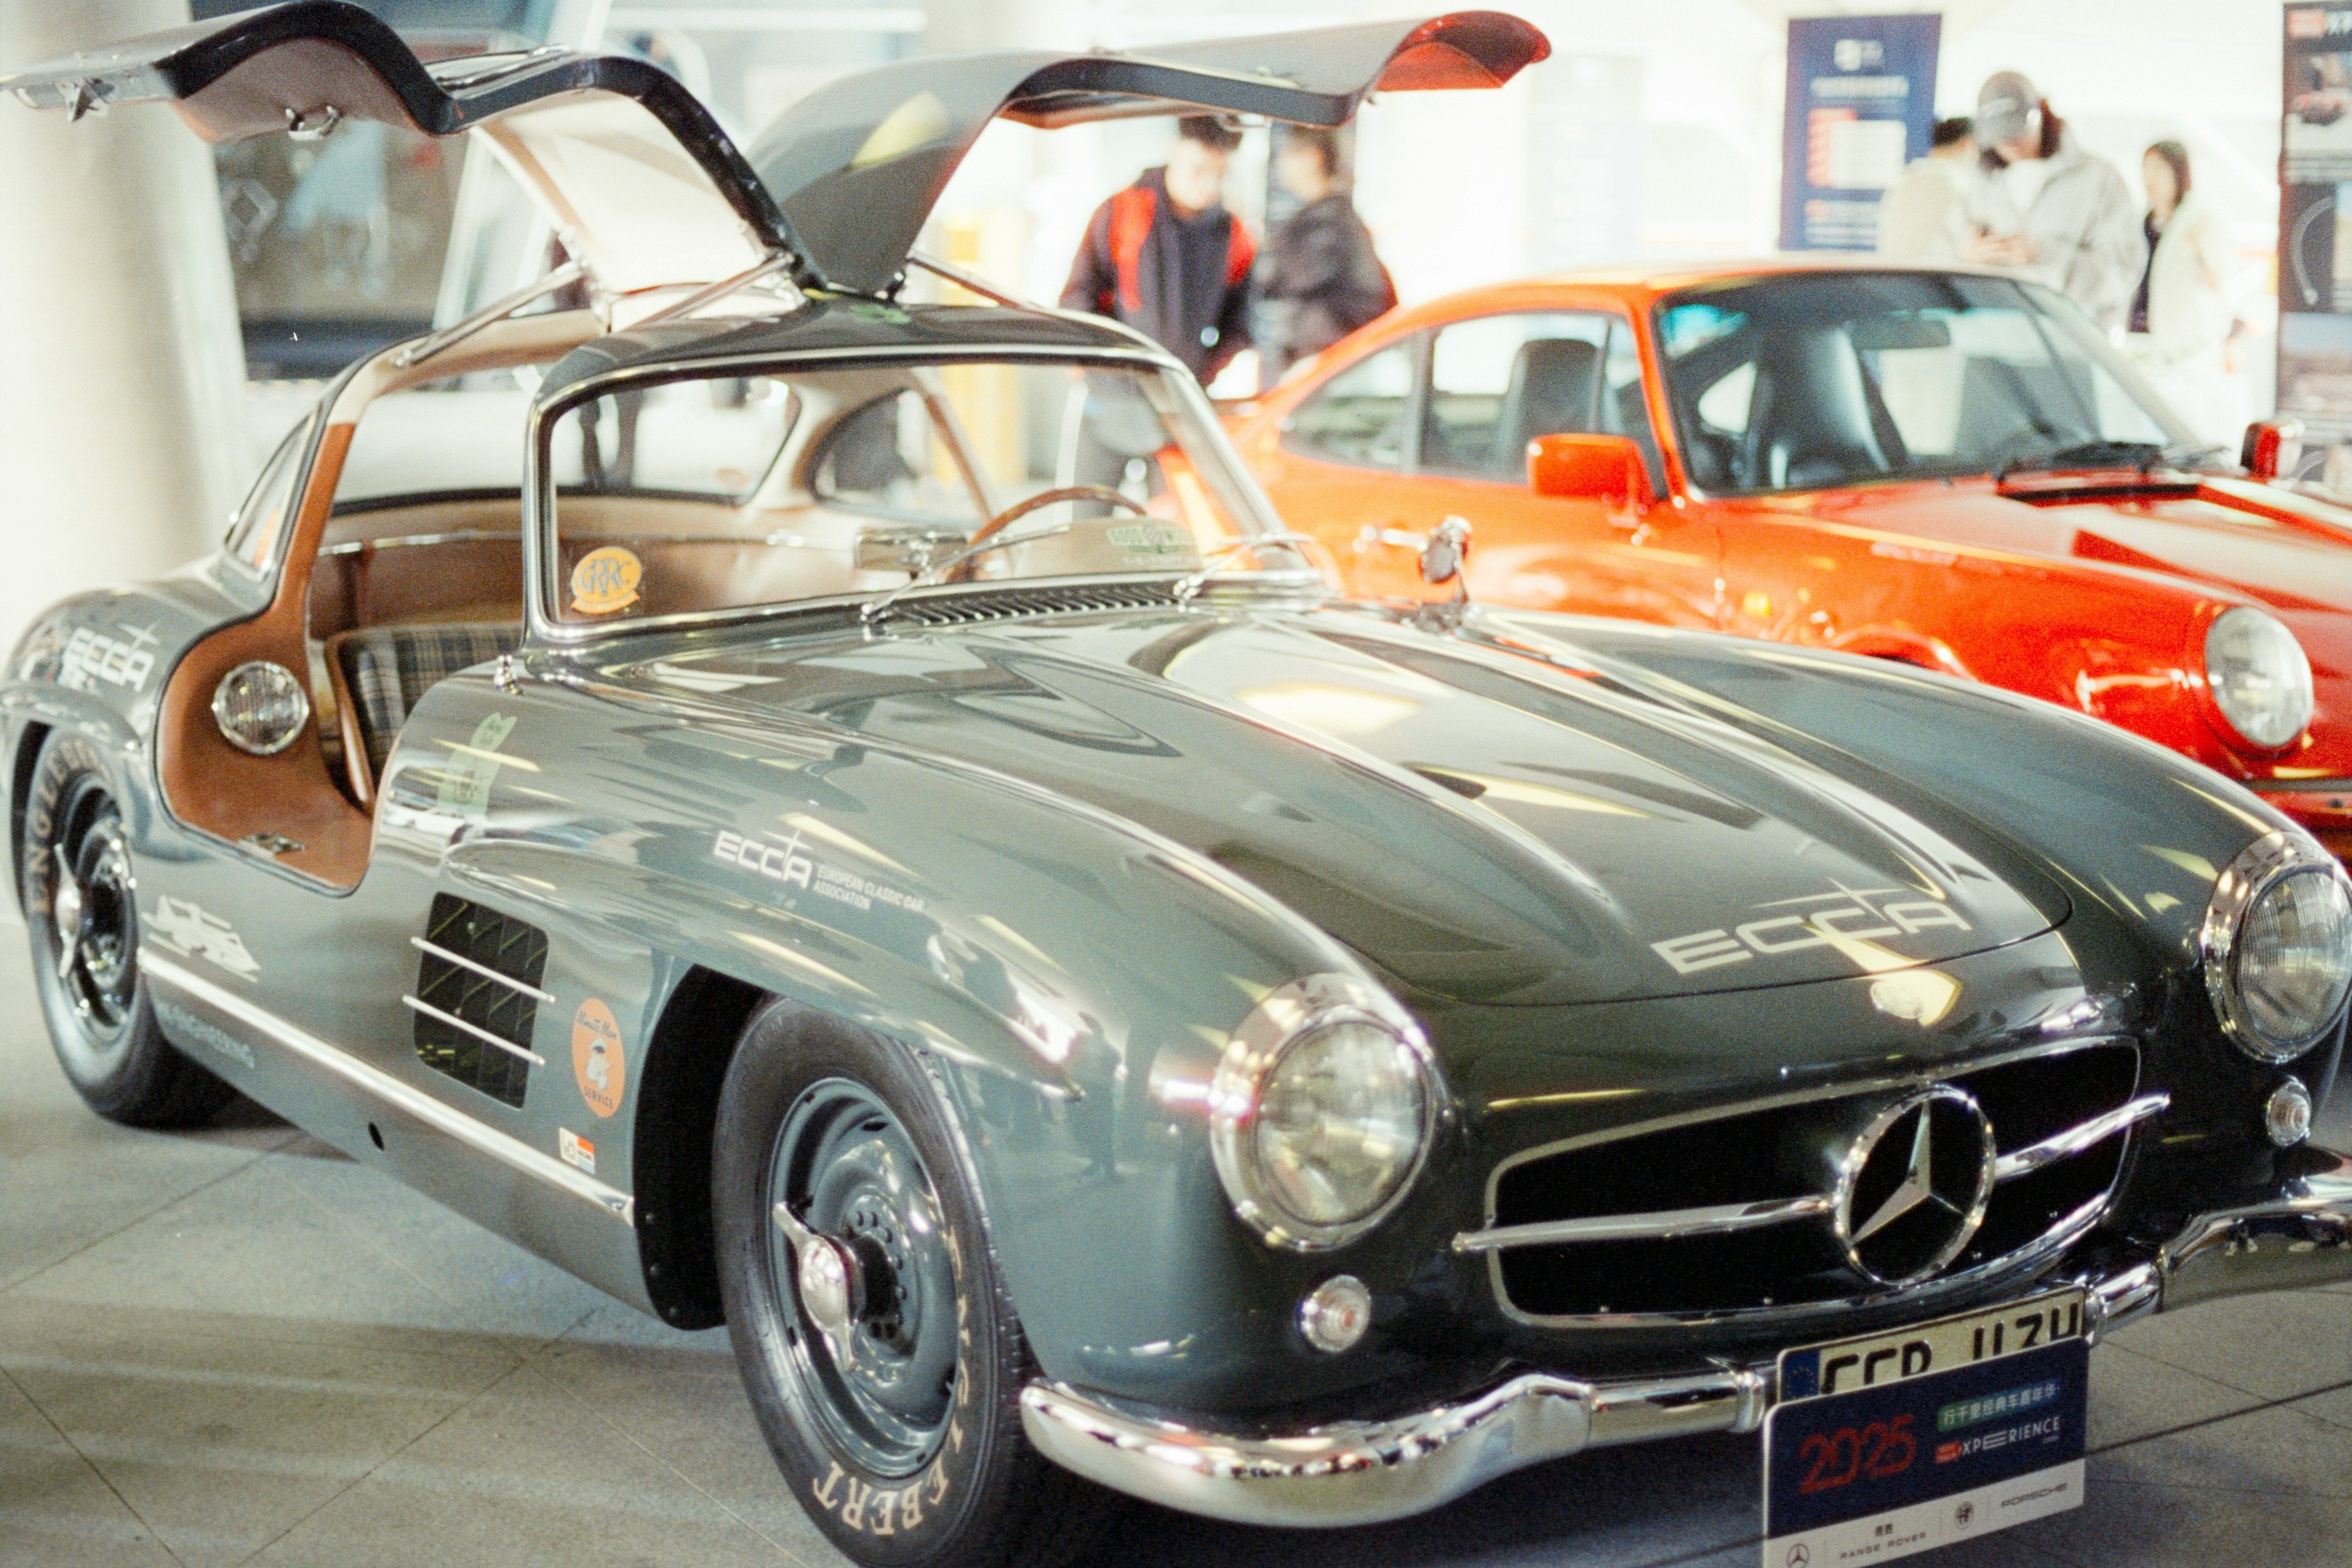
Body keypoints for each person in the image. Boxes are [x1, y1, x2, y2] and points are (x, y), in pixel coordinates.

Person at [1060, 115, 1254, 384]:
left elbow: (1241, 321)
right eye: (1199, 170)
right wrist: (1098, 366)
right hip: (1113, 393)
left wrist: (1201, 375)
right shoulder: (1122, 212)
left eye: (1219, 174)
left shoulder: (1234, 235)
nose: (1209, 186)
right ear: (1175, 150)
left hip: (1185, 393)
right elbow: (1078, 297)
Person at [1958, 71, 2144, 332]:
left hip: (2068, 353)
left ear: (2043, 115)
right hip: (1985, 348)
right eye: (1999, 135)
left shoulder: (2099, 180)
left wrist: (2043, 255)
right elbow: (1936, 256)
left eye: (2018, 130)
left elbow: (2121, 274)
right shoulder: (1978, 181)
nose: (2010, 143)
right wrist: (1964, 256)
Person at [1252, 127, 1395, 389]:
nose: (1281, 165)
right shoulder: (1338, 220)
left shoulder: (1327, 226)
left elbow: (1277, 287)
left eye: (1288, 154)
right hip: (1335, 367)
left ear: (1313, 157)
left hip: (1326, 370)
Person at [2127, 139, 2240, 445]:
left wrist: (2201, 249)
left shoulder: (2200, 219)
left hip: (2185, 350)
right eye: (2146, 170)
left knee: (2183, 427)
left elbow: (2222, 280)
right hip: (2142, 338)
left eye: (2160, 171)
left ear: (2179, 174)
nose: (2150, 180)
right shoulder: (2143, 221)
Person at [1876, 116, 1975, 261]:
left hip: (1893, 276)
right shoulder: (1958, 184)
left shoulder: (1903, 181)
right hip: (1935, 279)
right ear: (1968, 143)